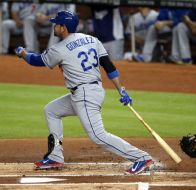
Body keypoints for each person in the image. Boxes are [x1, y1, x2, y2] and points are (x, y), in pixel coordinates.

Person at [14, 10, 153, 174]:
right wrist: (122, 90)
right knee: (51, 110)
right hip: (89, 91)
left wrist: (22, 53)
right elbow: (109, 67)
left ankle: (141, 158)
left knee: (97, 135)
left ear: (63, 28)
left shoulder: (59, 49)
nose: (54, 26)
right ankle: (55, 157)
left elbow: (36, 60)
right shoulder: (92, 39)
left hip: (85, 94)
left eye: (56, 24)